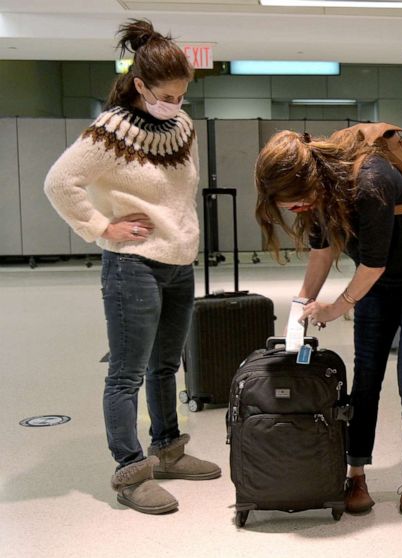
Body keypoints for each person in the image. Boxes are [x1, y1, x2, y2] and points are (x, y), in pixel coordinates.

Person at [43, 19, 220, 515]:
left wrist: (184, 236)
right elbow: (60, 183)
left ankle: (168, 450)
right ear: (140, 84)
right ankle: (130, 472)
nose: (176, 104)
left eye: (183, 95)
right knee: (127, 373)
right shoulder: (108, 132)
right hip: (132, 267)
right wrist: (102, 227)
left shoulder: (182, 128)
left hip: (179, 262)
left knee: (167, 366)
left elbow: (184, 191)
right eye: (166, 95)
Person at [254, 129, 402, 516]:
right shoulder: (318, 188)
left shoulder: (369, 179)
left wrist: (335, 307)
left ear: (308, 181)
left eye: (297, 204)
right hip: (377, 283)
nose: (296, 211)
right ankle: (356, 472)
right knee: (365, 379)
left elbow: (373, 263)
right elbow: (322, 252)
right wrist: (301, 307)